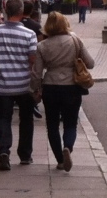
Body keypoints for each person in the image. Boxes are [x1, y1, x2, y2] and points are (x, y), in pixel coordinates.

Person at [31, 11, 94, 172]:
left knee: (51, 125)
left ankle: (59, 160)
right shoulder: (74, 39)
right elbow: (90, 63)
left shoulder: (42, 46)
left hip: (51, 86)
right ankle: (68, 147)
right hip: (71, 86)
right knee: (70, 123)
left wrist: (36, 90)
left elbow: (37, 73)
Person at [0, 0, 39, 170]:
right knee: (26, 119)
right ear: (22, 12)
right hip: (24, 85)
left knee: (3, 119)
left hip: (2, 85)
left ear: (6, 11)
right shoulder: (30, 34)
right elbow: (32, 59)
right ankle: (25, 155)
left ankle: (4, 151)